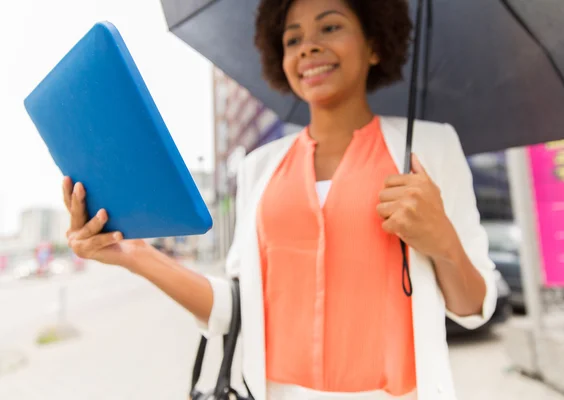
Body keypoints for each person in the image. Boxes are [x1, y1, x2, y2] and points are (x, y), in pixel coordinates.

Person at [62, 0, 497, 399]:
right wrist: (136, 254)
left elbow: (473, 308)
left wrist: (442, 241)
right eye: (292, 39)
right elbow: (237, 307)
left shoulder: (430, 148)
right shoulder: (258, 167)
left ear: (375, 45)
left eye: (330, 27)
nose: (308, 47)